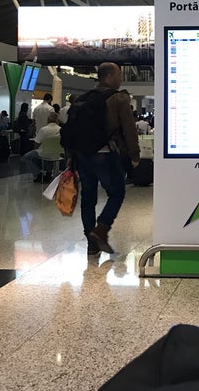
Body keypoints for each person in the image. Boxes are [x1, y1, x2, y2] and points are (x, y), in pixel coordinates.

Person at [75, 62, 140, 256]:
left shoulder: (84, 98)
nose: (121, 79)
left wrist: (71, 157)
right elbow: (129, 129)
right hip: (105, 154)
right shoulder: (118, 98)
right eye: (119, 74)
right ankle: (101, 229)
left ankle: (91, 244)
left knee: (88, 199)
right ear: (109, 76)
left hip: (82, 156)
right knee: (117, 193)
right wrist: (135, 155)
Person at [21, 112, 62, 182]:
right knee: (50, 156)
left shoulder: (44, 129)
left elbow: (37, 144)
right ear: (57, 120)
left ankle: (38, 174)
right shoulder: (61, 130)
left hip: (44, 153)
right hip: (57, 154)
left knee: (26, 157)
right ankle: (48, 174)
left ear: (48, 120)